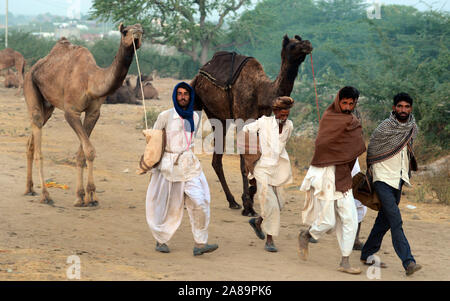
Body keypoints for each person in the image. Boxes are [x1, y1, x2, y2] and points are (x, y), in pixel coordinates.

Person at [298, 86, 366, 274]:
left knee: (350, 220)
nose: (347, 107)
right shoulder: (328, 117)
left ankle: (344, 261)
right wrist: (337, 154)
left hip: (343, 177)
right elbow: (322, 144)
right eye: (344, 103)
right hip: (325, 175)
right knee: (328, 222)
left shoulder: (353, 122)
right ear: (338, 100)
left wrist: (345, 163)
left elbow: (356, 147)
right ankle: (306, 234)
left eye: (351, 104)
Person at [145, 82, 218, 256]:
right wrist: (151, 163)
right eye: (179, 94)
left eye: (186, 94)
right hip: (168, 165)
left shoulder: (195, 117)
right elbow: (154, 140)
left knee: (200, 201)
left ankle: (200, 243)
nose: (183, 97)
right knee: (167, 205)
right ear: (175, 96)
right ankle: (161, 240)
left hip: (189, 164)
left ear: (190, 96)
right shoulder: (165, 116)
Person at [361, 92, 421, 276]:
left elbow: (406, 151)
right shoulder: (385, 127)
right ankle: (408, 261)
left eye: (407, 107)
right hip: (382, 178)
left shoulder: (412, 127)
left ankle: (367, 252)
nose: (403, 110)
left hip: (399, 179)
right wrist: (372, 174)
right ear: (394, 108)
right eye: (400, 106)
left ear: (411, 108)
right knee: (395, 219)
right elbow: (372, 151)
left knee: (385, 220)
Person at [243, 96, 294, 252]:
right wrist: (253, 152)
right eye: (281, 115)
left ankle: (258, 222)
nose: (284, 118)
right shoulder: (263, 122)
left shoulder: (289, 126)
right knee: (270, 204)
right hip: (262, 168)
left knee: (279, 204)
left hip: (277, 168)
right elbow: (245, 131)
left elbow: (282, 144)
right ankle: (269, 240)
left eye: (287, 115)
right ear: (275, 112)